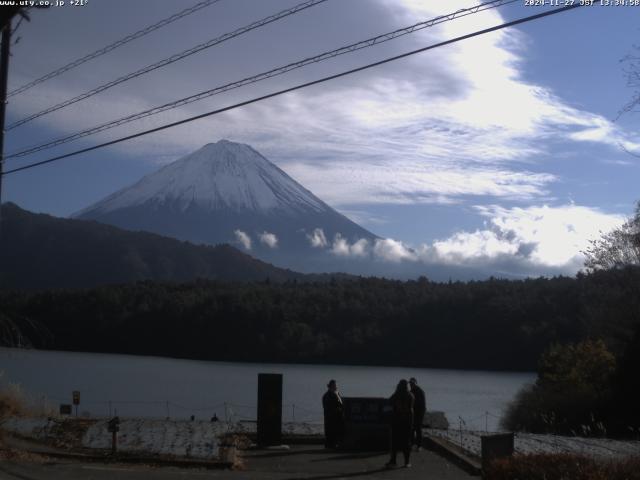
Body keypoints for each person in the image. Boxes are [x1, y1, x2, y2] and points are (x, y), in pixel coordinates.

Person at [386, 379, 414, 468]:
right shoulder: (410, 396)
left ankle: (393, 461)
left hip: (396, 422)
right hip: (407, 422)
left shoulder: (396, 395)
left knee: (394, 442)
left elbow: (389, 402)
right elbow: (411, 408)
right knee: (406, 442)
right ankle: (407, 462)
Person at [322, 379, 344, 449]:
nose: (336, 387)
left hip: (332, 418)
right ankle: (331, 445)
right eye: (335, 385)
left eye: (336, 386)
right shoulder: (329, 395)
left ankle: (332, 444)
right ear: (331, 386)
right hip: (331, 418)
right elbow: (336, 405)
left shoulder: (334, 394)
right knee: (331, 432)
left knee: (332, 433)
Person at [409, 377, 426, 451]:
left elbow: (422, 404)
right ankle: (412, 444)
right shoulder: (410, 391)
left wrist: (421, 413)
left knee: (418, 429)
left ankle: (419, 445)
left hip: (419, 412)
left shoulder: (420, 391)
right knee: (412, 429)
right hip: (413, 412)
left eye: (412, 383)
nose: (411, 384)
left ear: (415, 383)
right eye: (410, 383)